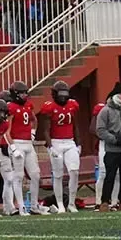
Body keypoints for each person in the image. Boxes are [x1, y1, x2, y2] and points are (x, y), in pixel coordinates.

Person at [39, 81, 81, 212]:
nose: (63, 97)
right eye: (60, 94)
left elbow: (75, 126)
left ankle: (72, 203)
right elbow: (45, 129)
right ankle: (60, 203)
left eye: (65, 93)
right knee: (57, 175)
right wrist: (50, 146)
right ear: (54, 94)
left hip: (70, 142)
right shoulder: (49, 107)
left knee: (74, 171)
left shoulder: (73, 105)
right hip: (56, 142)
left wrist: (78, 143)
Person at [94, 93, 121, 210]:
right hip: (112, 150)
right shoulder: (105, 111)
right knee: (110, 176)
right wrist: (115, 140)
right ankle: (105, 201)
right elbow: (100, 130)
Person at [3, 84, 41, 214]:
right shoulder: (11, 107)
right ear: (15, 94)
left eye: (26, 92)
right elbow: (6, 131)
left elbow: (34, 120)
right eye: (22, 93)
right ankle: (21, 206)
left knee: (35, 175)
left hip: (28, 144)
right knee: (18, 176)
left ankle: (34, 205)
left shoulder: (28, 105)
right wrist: (13, 148)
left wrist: (33, 132)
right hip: (17, 143)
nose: (25, 95)